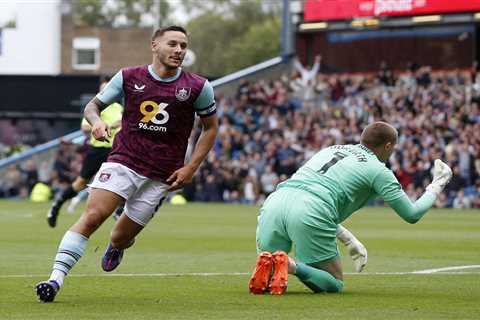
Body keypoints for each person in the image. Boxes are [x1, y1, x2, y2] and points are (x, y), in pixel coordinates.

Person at [35, 25, 218, 302]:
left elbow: (210, 128)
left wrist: (191, 167)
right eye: (172, 44)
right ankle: (54, 280)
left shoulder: (197, 87)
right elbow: (92, 107)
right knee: (94, 217)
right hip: (124, 161)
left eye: (183, 45)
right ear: (154, 45)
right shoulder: (129, 77)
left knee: (121, 237)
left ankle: (117, 246)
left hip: (163, 175)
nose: (179, 50)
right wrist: (96, 123)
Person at [249, 121, 452, 295]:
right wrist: (437, 185)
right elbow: (412, 214)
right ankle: (291, 265)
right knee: (334, 283)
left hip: (276, 200)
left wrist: (347, 237)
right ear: (389, 146)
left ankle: (274, 265)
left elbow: (308, 189)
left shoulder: (331, 149)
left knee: (269, 266)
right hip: (311, 209)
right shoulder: (378, 170)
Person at [47, 79, 123, 227]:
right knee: (81, 182)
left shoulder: (119, 108)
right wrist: (101, 124)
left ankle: (118, 210)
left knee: (125, 179)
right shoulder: (96, 107)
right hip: (98, 149)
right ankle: (57, 204)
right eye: (104, 89)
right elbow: (85, 128)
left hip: (116, 149)